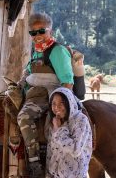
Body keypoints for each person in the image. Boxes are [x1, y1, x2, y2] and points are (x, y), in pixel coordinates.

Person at [15, 12, 74, 176]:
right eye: (33, 33)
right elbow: (27, 73)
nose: (37, 36)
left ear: (50, 31)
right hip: (32, 94)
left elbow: (67, 81)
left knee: (23, 117)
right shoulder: (36, 53)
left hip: (48, 95)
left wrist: (60, 107)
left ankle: (34, 162)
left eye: (41, 31)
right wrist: (19, 83)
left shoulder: (57, 51)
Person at [45, 87, 92, 178]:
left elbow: (75, 150)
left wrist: (59, 130)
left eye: (61, 103)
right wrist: (48, 173)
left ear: (69, 102)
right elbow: (51, 151)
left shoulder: (81, 120)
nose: (56, 107)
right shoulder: (56, 121)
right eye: (53, 104)